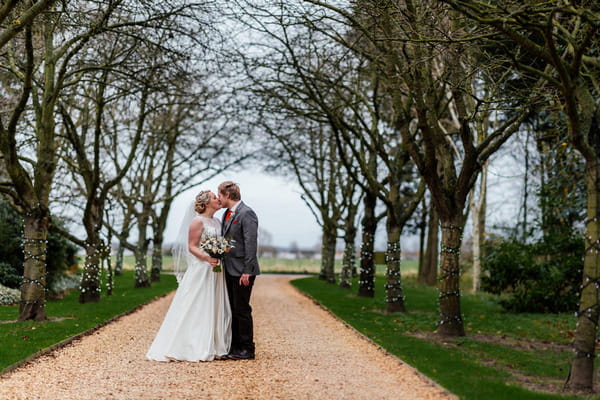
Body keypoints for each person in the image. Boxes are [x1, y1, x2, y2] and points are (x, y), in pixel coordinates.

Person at [146, 191, 231, 362]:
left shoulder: (216, 221)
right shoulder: (197, 221)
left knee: (213, 304)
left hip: (216, 270)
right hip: (201, 268)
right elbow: (191, 246)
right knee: (198, 304)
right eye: (215, 197)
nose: (218, 199)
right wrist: (208, 258)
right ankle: (191, 345)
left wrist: (220, 254)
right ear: (207, 203)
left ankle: (214, 345)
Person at [218, 181, 260, 360]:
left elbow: (251, 243)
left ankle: (247, 349)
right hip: (228, 268)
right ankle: (235, 347)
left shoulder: (246, 213)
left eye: (219, 195)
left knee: (242, 309)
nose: (218, 199)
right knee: (232, 308)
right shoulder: (227, 214)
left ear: (227, 195)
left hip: (243, 270)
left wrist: (247, 271)